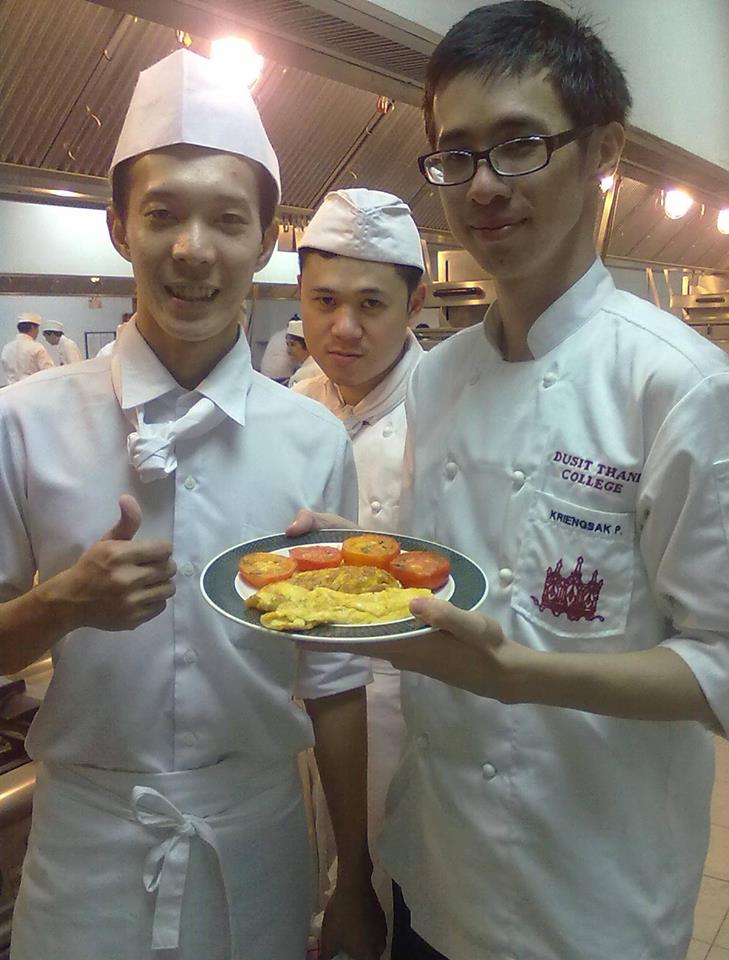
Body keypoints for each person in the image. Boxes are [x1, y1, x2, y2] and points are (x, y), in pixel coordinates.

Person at [290, 4, 729, 959]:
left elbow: (721, 663)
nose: (483, 185)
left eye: (519, 144)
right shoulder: (439, 378)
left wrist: (519, 675)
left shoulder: (680, 387)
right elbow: (456, 582)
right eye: (456, 155)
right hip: (430, 870)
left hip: (589, 901)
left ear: (602, 150)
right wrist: (352, 564)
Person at [0, 48, 384, 960]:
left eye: (227, 218)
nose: (193, 249)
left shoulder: (312, 440)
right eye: (163, 213)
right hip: (84, 852)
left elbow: (335, 683)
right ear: (118, 227)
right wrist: (60, 606)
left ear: (267, 238)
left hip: (257, 846)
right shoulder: (24, 423)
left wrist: (354, 881)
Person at [292, 187, 426, 951]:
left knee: (391, 897)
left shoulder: (447, 415)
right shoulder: (294, 405)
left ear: (415, 305)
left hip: (402, 714)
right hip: (294, 705)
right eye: (324, 301)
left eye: (370, 304)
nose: (343, 327)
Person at [1, 313, 54, 384]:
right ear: (32, 328)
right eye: (37, 328)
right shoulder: (37, 347)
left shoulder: (6, 348)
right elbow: (50, 372)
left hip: (12, 389)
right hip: (33, 388)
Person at [287, 316, 322, 385]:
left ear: (307, 345)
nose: (288, 351)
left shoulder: (301, 375)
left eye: (293, 345)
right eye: (287, 345)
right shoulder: (322, 366)